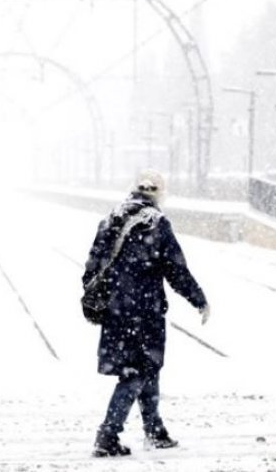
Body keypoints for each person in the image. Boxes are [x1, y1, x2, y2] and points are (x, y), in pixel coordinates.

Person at [82, 170, 210, 458]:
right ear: (159, 194)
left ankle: (155, 431)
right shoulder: (157, 223)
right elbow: (176, 269)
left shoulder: (111, 218)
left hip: (116, 311)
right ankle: (107, 435)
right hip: (144, 311)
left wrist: (104, 299)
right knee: (137, 372)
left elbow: (91, 266)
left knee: (144, 368)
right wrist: (198, 299)